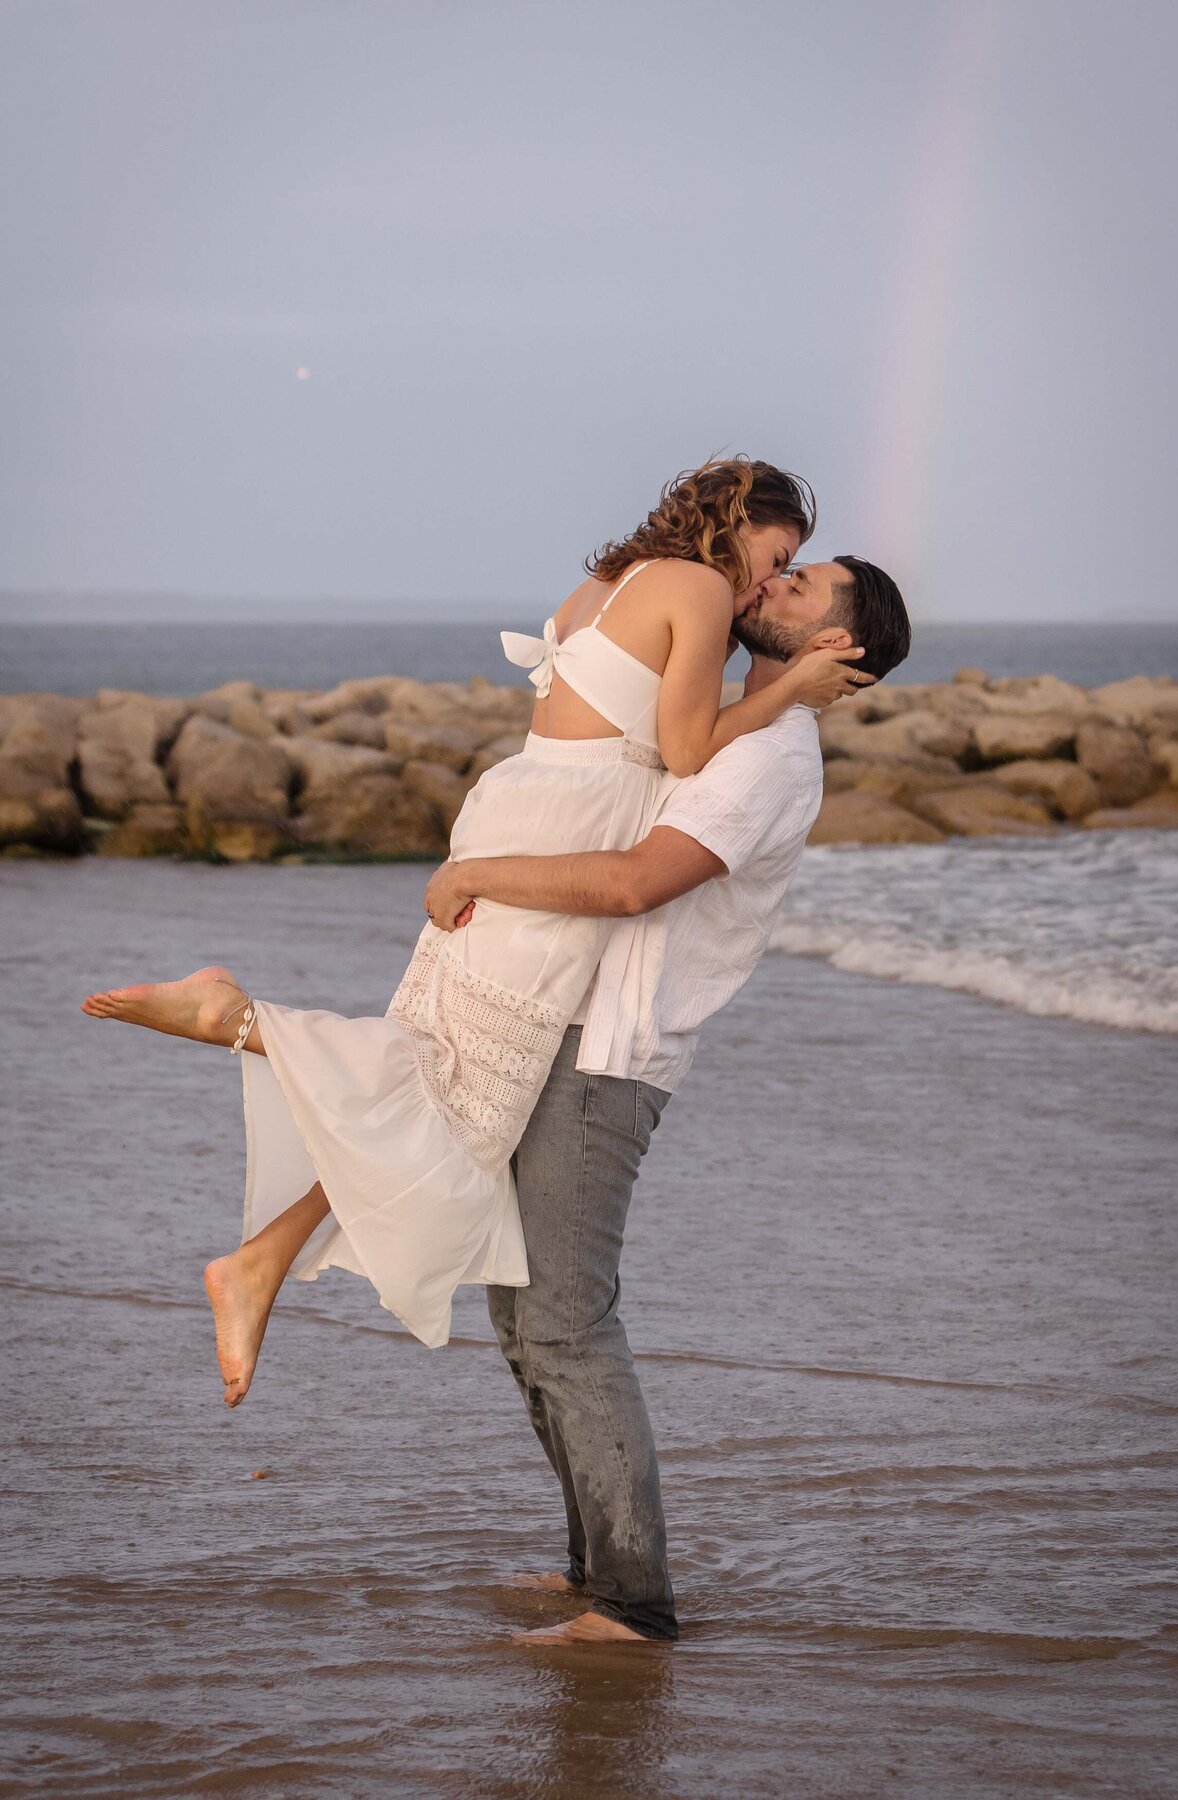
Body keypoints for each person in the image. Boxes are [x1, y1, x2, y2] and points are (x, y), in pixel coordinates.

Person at [80, 458, 868, 1408]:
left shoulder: (608, 584)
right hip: (567, 836)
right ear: (735, 524)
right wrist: (795, 690)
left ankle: (259, 1264)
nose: (760, 584)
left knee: (440, 1079)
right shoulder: (698, 586)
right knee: (460, 1097)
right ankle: (237, 1022)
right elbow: (689, 749)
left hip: (524, 808)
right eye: (773, 556)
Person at [422, 555, 912, 1644]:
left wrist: (476, 872)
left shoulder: (774, 758)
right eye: (775, 570)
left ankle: (634, 1605)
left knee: (566, 1320)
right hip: (571, 1029)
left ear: (838, 648)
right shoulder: (737, 725)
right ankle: (592, 1567)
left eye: (798, 589)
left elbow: (635, 881)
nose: (766, 587)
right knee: (524, 1314)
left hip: (613, 1058)